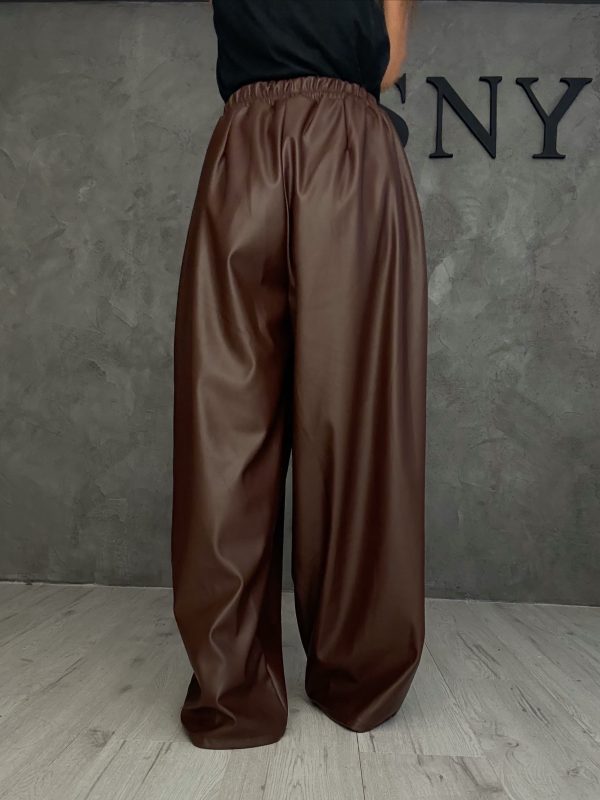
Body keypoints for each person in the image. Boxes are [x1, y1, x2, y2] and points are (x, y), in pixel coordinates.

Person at [170, 0, 426, 750]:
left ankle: (231, 691)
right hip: (348, 146)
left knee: (226, 421)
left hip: (244, 144)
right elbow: (388, 61)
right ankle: (357, 674)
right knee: (355, 417)